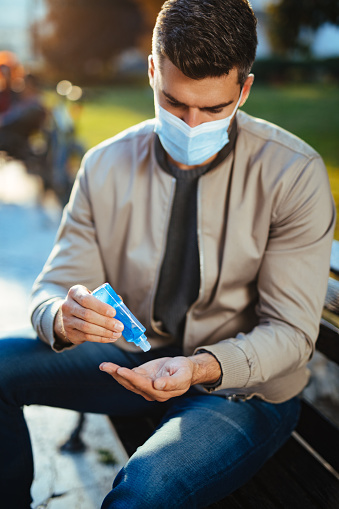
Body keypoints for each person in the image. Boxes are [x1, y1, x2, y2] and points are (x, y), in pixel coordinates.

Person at [0, 0, 335, 508]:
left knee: (149, 488)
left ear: (243, 89)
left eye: (214, 108)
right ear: (154, 71)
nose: (192, 124)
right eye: (174, 103)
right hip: (134, 358)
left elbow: (290, 334)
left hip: (240, 391)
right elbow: (56, 283)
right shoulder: (105, 165)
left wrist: (199, 369)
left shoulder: (293, 174)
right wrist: (63, 317)